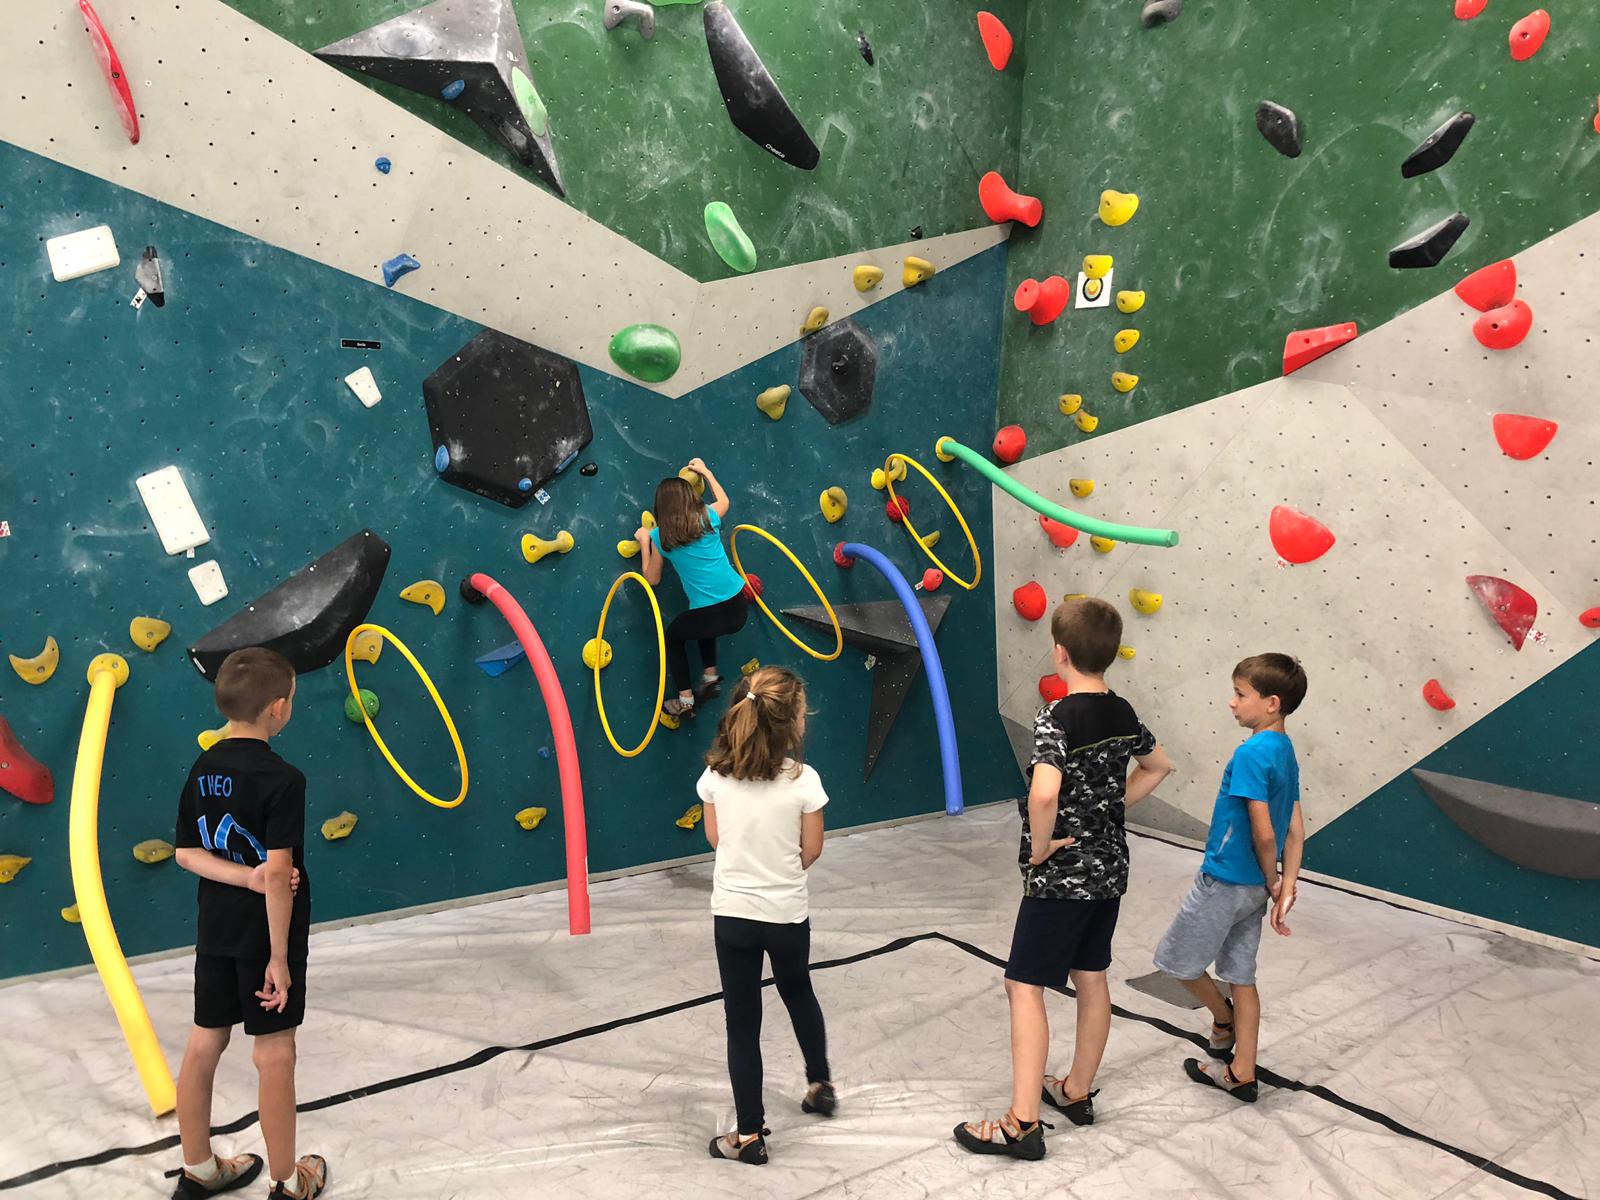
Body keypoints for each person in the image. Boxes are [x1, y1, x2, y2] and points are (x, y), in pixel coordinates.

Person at [956, 597, 1172, 1160]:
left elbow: (1045, 791)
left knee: (1024, 985)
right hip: (1110, 870)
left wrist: (1044, 843)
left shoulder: (1056, 717)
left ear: (1060, 652)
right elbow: (1160, 765)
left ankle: (1021, 1123)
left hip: (1062, 879)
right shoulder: (1124, 712)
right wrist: (1111, 806)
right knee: (1091, 975)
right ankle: (1076, 1090)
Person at [170, 647, 327, 1200]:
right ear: (278, 709)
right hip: (265, 936)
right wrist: (279, 958)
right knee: (274, 1050)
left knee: (203, 1042)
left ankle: (199, 1170)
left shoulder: (203, 765)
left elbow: (186, 854)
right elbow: (278, 872)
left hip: (215, 928)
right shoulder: (284, 779)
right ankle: (288, 1182)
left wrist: (243, 877)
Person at [1153, 653, 1307, 1104]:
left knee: (1175, 961)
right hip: (1257, 890)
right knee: (1241, 974)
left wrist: (1269, 873)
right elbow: (1295, 828)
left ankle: (1222, 1018)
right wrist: (1282, 885)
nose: (1232, 703)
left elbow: (1265, 831)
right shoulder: (1285, 750)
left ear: (1272, 703)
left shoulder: (1251, 754)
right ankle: (1241, 1071)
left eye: (1241, 695)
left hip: (1225, 882)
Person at [697, 667, 834, 1165]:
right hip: (786, 916)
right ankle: (820, 1083)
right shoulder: (805, 781)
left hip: (732, 917)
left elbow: (716, 841)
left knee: (742, 1023)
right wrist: (780, 869)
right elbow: (812, 849)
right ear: (794, 723)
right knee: (798, 990)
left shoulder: (714, 777)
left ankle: (749, 1136)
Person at [636, 457, 749, 719]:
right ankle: (710, 678)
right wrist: (706, 472)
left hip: (708, 615)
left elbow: (651, 578)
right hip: (737, 608)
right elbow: (725, 501)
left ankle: (686, 701)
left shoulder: (661, 537)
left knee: (674, 637)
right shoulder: (708, 517)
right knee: (701, 620)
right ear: (691, 498)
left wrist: (644, 539)